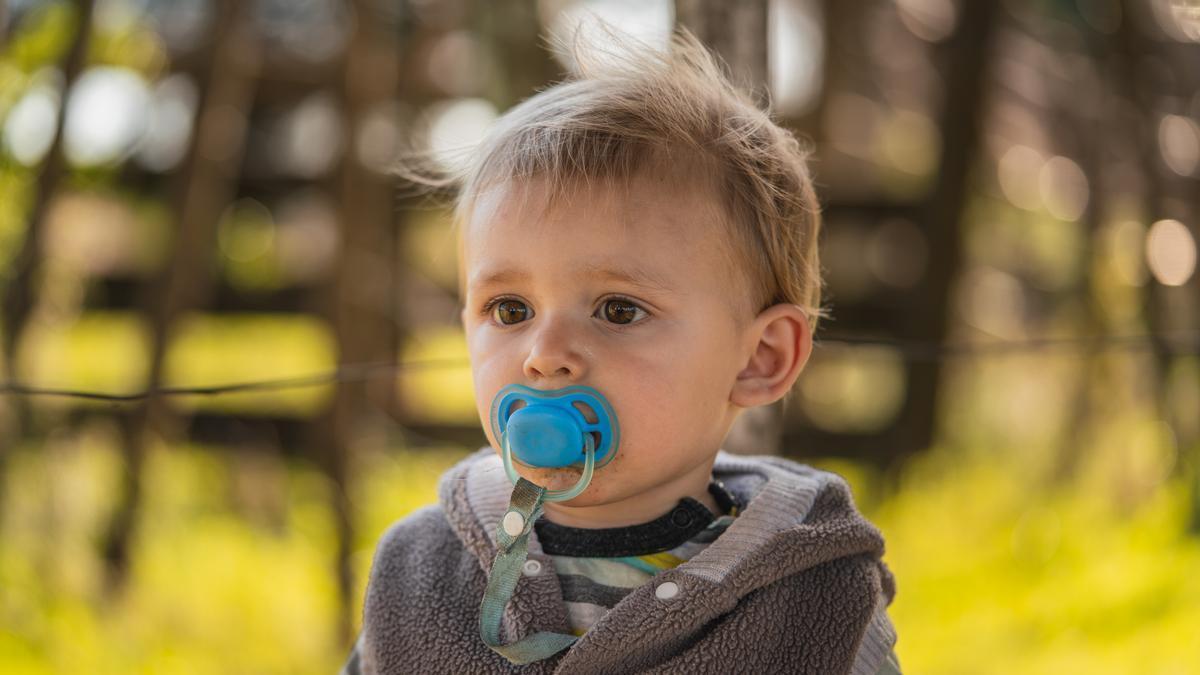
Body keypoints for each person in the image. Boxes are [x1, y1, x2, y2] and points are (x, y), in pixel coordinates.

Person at [342, 25, 901, 675]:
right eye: (510, 310)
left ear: (760, 358)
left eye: (618, 310)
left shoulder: (809, 601)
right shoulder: (421, 573)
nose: (545, 353)